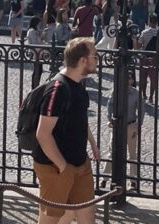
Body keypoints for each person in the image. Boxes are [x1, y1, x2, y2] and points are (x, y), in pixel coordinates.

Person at [32, 37, 101, 224]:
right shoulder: (57, 90)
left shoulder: (79, 87)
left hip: (80, 163)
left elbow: (80, 120)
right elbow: (42, 134)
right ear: (83, 61)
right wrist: (63, 167)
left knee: (87, 216)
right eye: (95, 56)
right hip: (55, 167)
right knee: (51, 219)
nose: (98, 60)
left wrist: (93, 144)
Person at [26, 16, 47, 88]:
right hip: (35, 52)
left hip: (38, 52)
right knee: (37, 70)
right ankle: (34, 86)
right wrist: (42, 38)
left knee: (39, 69)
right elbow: (36, 42)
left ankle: (36, 85)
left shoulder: (35, 31)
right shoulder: (32, 31)